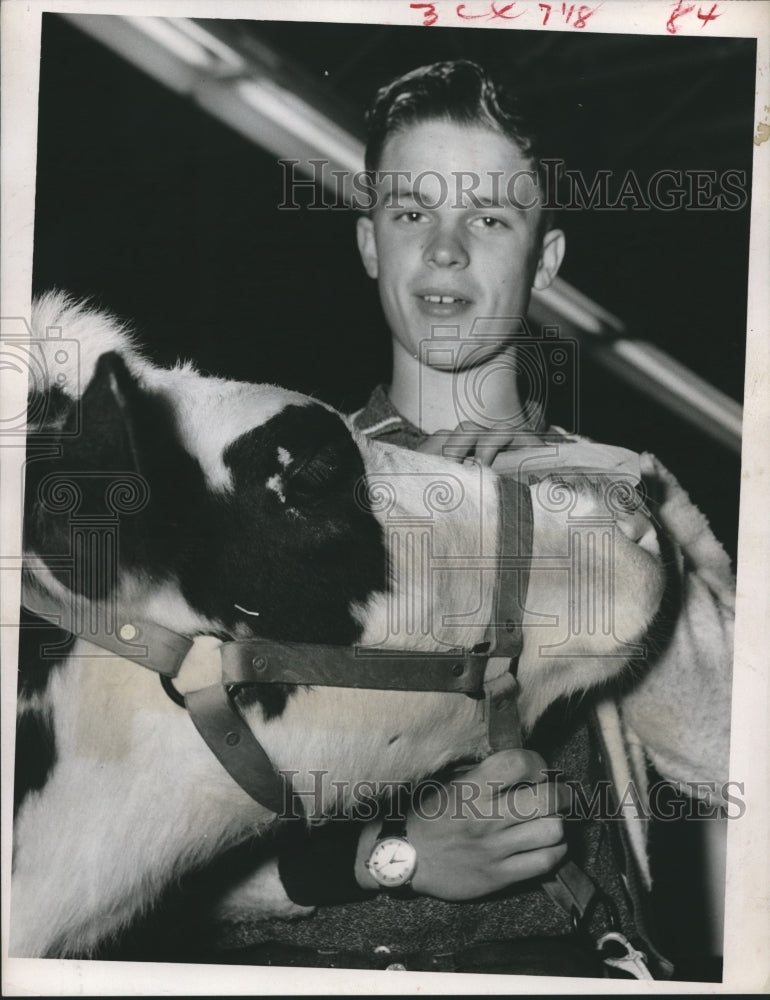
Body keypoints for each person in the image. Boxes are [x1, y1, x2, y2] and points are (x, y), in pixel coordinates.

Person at [207, 60, 735, 979]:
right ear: (371, 241)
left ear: (548, 257)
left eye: (490, 217)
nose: (445, 251)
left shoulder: (614, 497)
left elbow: (733, 763)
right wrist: (391, 853)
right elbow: (149, 847)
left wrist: (622, 551)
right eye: (412, 212)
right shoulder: (270, 496)